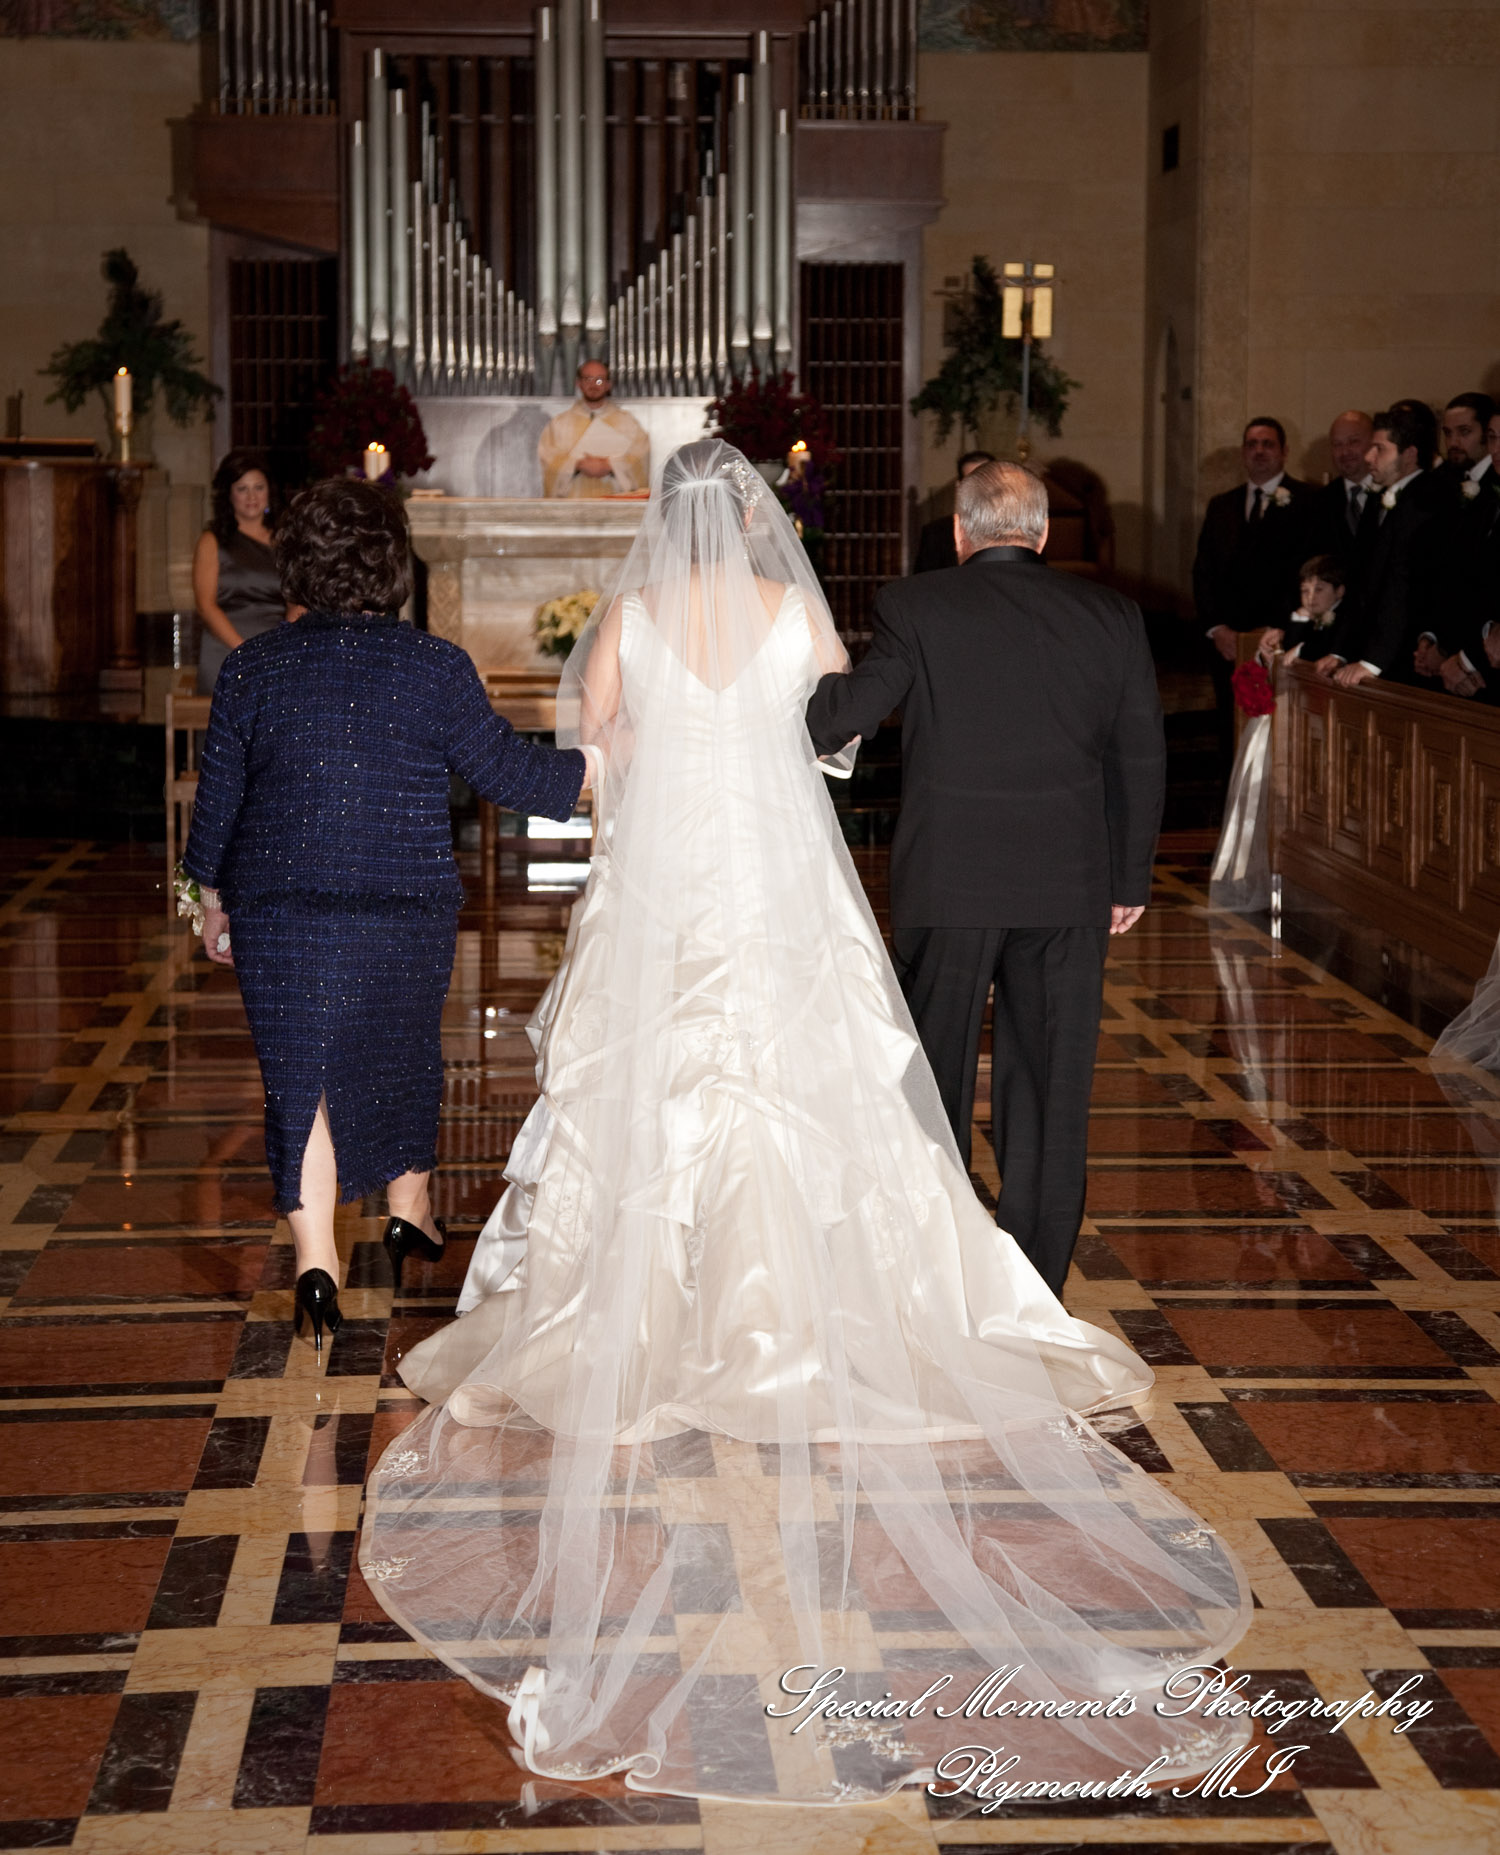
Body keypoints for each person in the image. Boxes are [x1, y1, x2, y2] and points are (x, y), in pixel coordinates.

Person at [359, 440, 1250, 1804]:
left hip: (672, 882)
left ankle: (655, 1311)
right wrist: (773, 752)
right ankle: (861, 1301)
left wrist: (656, 761)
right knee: (825, 1089)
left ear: (664, 521)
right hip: (786, 881)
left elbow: (598, 746)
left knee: (653, 1093)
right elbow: (832, 716)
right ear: (756, 520)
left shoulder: (636, 614)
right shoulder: (803, 612)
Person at [180, 479, 586, 1350]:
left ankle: (316, 1262)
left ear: (296, 565)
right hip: (403, 912)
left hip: (278, 909)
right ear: (393, 565)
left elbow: (218, 804)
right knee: (400, 1057)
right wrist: (606, 763)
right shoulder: (433, 665)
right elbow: (509, 773)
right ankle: (411, 1213)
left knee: (300, 1082)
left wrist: (208, 900)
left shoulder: (254, 666)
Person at [806, 460, 1165, 1298]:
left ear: (961, 532)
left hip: (950, 881)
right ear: (1043, 532)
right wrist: (1129, 879)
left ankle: (937, 1273)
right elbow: (1140, 754)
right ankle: (1035, 1282)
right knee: (1051, 1086)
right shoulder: (1112, 614)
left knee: (932, 1075)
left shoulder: (916, 604)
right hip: (1069, 883)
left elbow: (848, 713)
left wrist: (804, 693)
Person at [1191, 416, 1317, 765]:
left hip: (1283, 640)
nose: (1259, 451)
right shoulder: (1221, 505)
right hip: (1228, 643)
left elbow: (1309, 572)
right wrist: (1217, 629)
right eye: (1252, 444)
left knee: (1281, 730)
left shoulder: (1310, 501)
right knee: (1229, 727)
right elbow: (1203, 572)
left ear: (1284, 451)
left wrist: (1283, 628)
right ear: (1243, 452)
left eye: (1268, 444)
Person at [1312, 403, 1443, 687]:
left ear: (1409, 454)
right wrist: (1340, 651)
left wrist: (1374, 661)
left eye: (1379, 449)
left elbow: (1402, 586)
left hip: (1405, 660)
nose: (1368, 457)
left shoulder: (1426, 501)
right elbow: (1360, 580)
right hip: (1371, 651)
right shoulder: (1377, 500)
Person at [193, 449, 285, 694]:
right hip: (225, 652)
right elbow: (205, 606)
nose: (252, 496)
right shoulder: (211, 542)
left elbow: (297, 602)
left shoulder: (286, 540)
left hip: (275, 653)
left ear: (270, 491)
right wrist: (245, 651)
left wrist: (283, 650)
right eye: (242, 489)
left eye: (258, 488)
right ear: (229, 494)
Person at [537, 358, 649, 498]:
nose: (593, 385)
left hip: (615, 503)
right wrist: (576, 465)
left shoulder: (627, 422)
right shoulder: (559, 423)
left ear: (608, 384)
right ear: (579, 383)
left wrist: (610, 465)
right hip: (573, 503)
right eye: (588, 379)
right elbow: (549, 459)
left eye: (599, 380)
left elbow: (640, 457)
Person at [911, 447, 995, 572]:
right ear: (960, 486)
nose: (980, 488)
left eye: (986, 480)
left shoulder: (1015, 529)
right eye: (972, 482)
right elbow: (924, 579)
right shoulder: (936, 533)